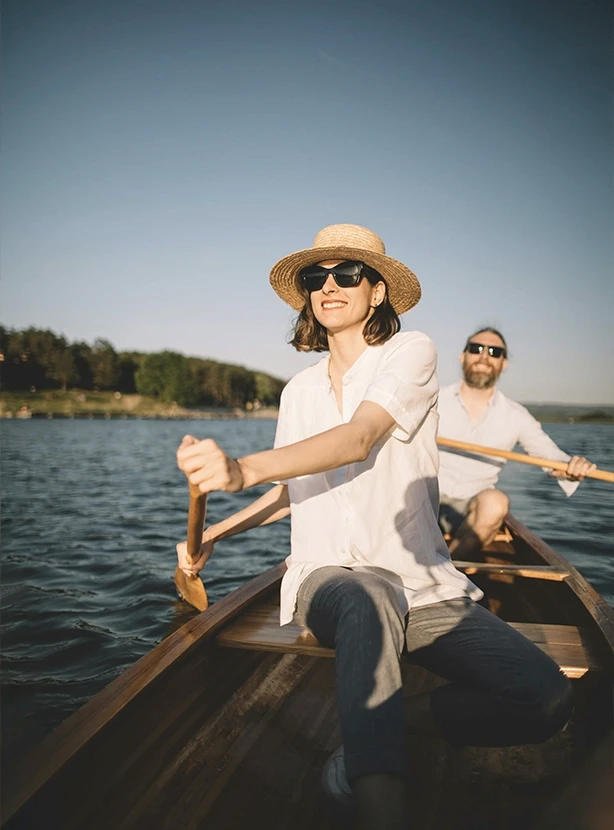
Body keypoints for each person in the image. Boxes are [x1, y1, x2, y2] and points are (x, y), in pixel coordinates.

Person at [175, 226, 573, 830]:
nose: (328, 286)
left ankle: (373, 732)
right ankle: (377, 798)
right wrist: (214, 536)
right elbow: (288, 492)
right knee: (367, 591)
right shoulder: (297, 391)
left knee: (546, 697)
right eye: (316, 278)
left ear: (378, 289)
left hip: (420, 584)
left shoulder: (412, 352)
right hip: (328, 582)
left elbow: (358, 439)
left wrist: (241, 467)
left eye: (346, 275)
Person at [437, 327, 595, 559]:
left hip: (472, 508)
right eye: (476, 348)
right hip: (424, 497)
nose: (484, 356)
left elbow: (551, 456)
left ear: (504, 363)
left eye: (495, 352)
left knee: (497, 502)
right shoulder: (432, 398)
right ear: (463, 356)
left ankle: (448, 570)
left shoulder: (516, 415)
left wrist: (571, 466)